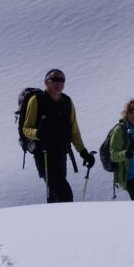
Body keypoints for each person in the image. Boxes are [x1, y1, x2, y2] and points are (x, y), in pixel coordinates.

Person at [22, 69, 95, 203]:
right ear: (46, 82)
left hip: (61, 154)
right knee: (64, 194)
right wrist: (38, 133)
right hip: (43, 154)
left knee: (56, 195)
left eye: (62, 80)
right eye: (55, 79)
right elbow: (26, 129)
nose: (59, 83)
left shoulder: (67, 102)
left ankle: (52, 221)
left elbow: (74, 132)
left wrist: (83, 152)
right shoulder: (36, 100)